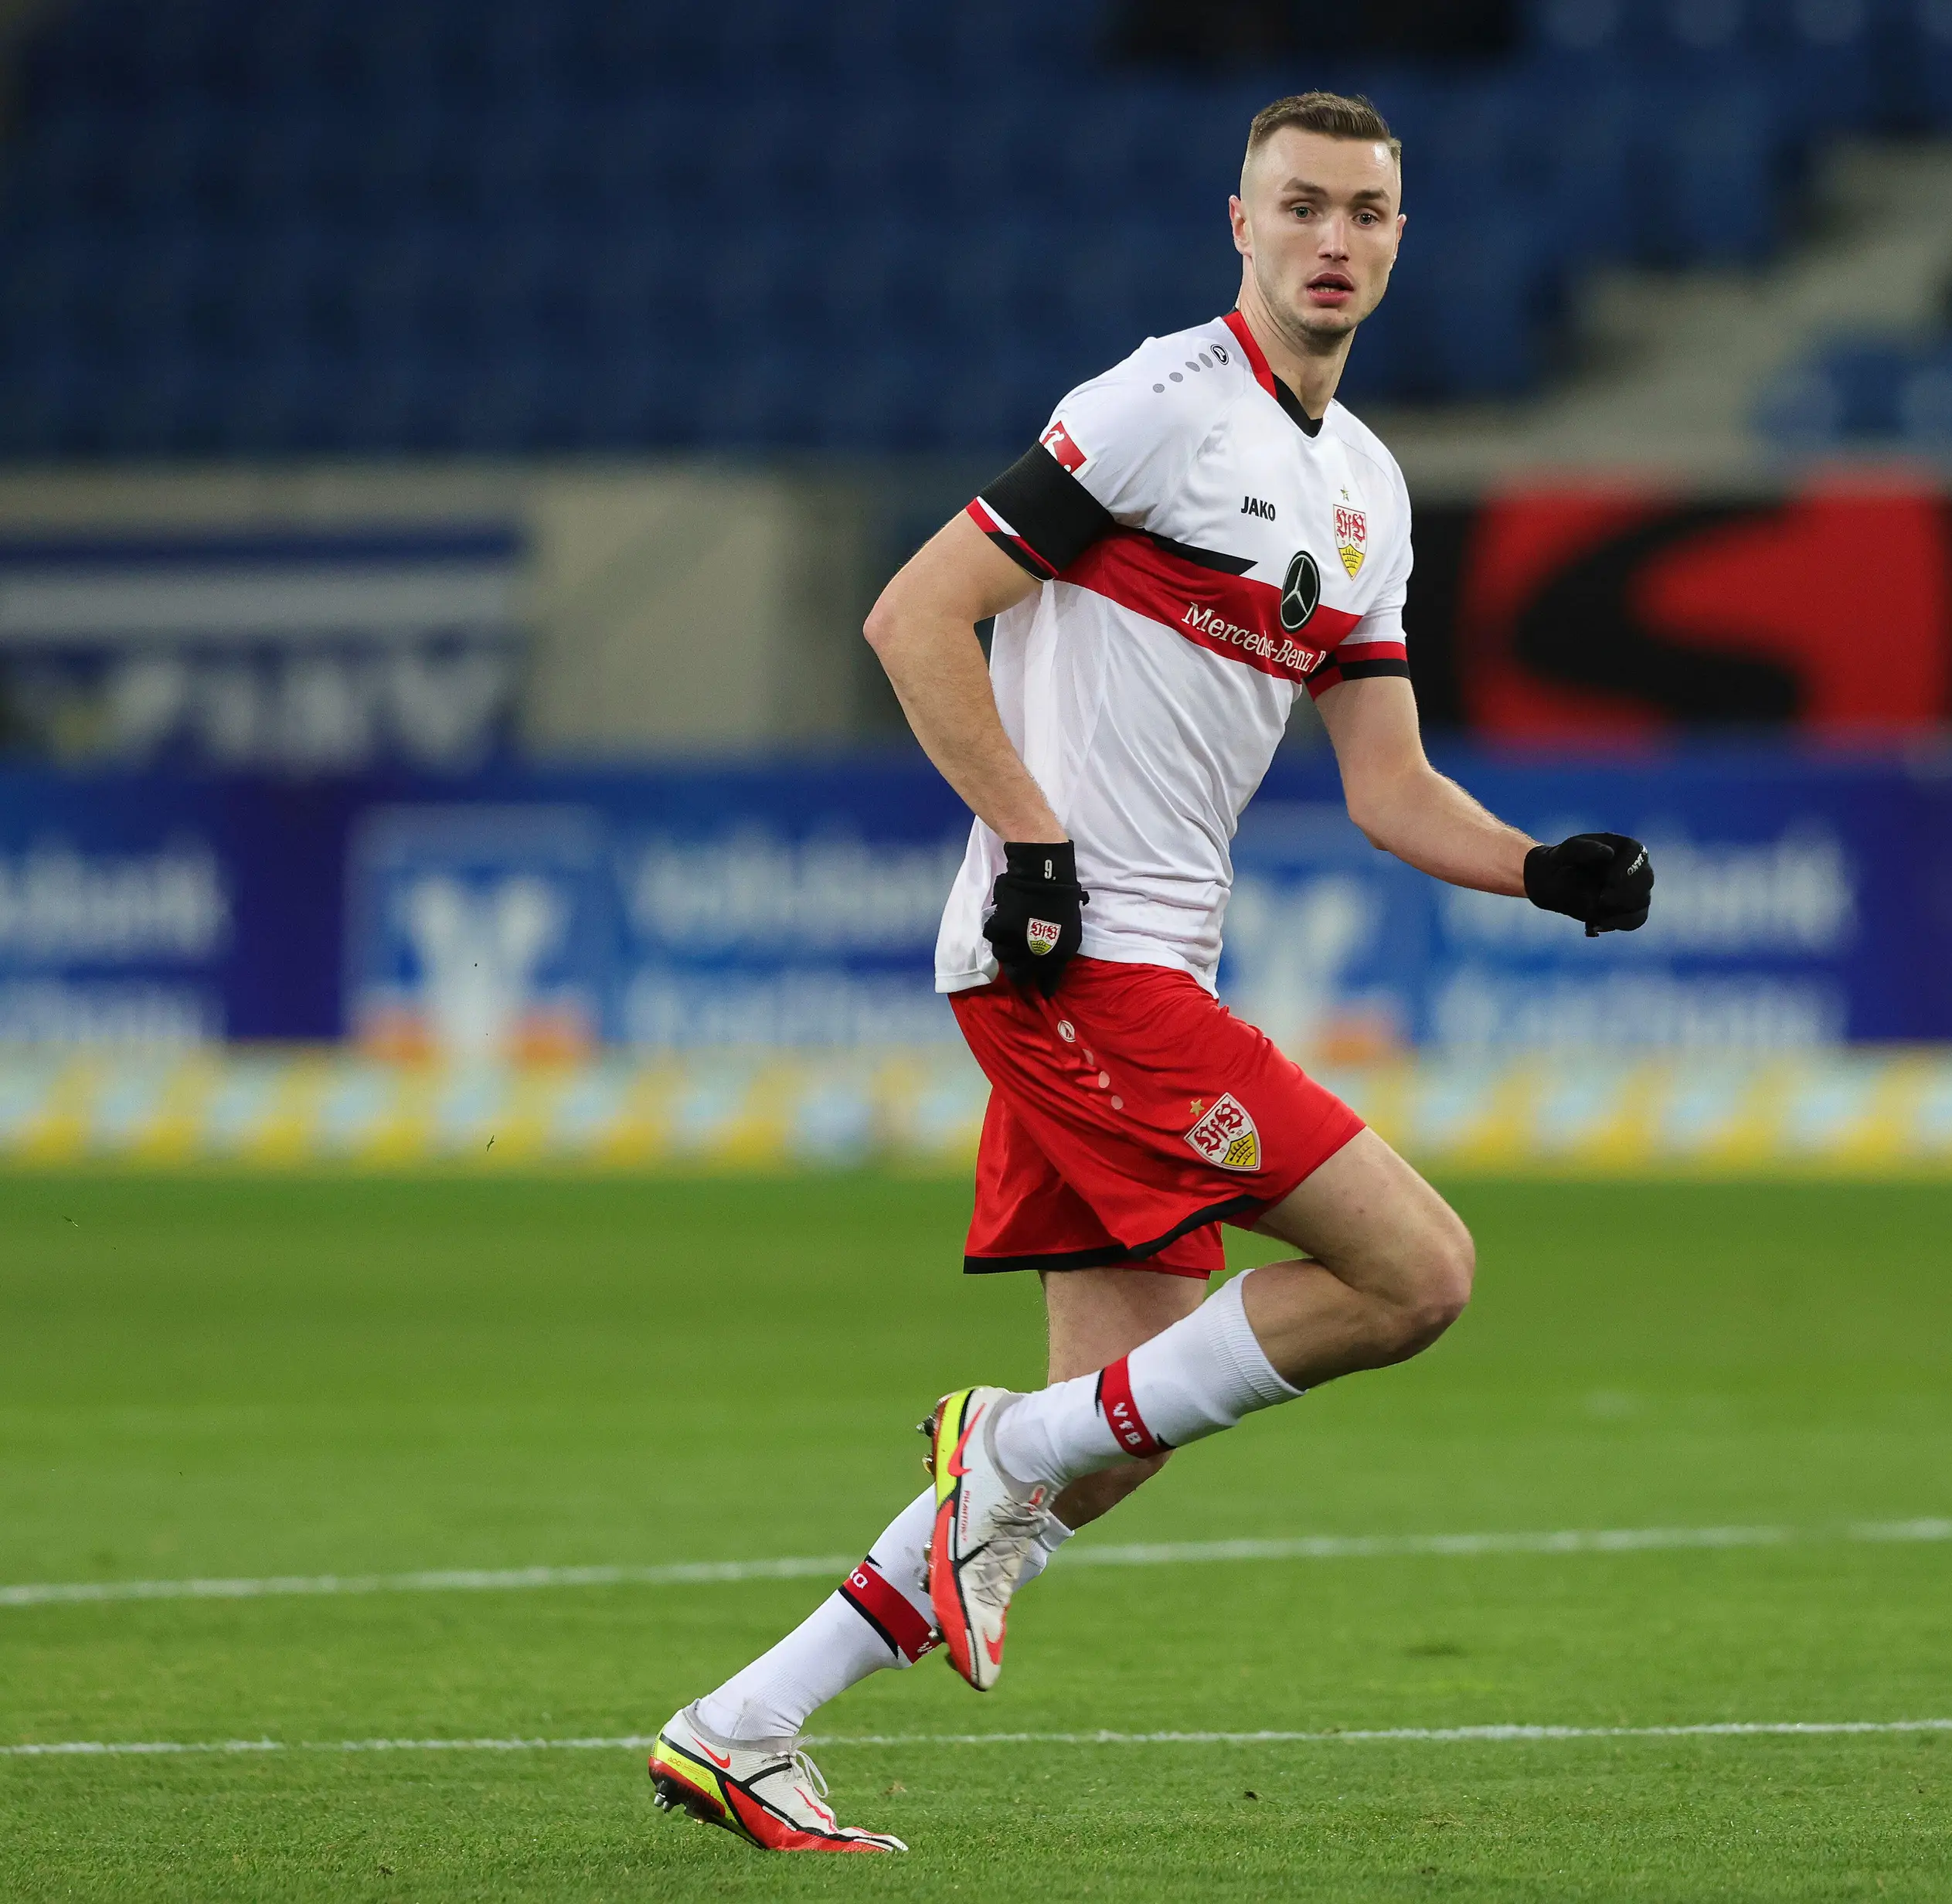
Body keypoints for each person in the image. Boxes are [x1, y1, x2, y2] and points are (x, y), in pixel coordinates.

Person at [641, 91, 1656, 1855]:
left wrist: (1536, 868)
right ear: (1240, 224)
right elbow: (913, 613)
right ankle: (1002, 1449)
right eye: (1301, 206)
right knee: (1415, 1272)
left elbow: (1388, 784)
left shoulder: (1363, 490)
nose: (1333, 237)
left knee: (1108, 1445)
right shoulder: (1153, 407)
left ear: (1398, 242)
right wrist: (1029, 840)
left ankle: (745, 1723)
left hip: (1135, 965)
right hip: (1073, 963)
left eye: (1366, 212)